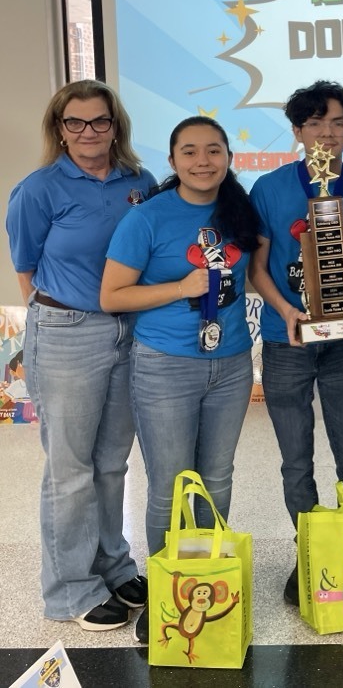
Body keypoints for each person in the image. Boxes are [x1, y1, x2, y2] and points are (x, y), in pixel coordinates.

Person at [100, 115, 258, 642]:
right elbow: (113, 296)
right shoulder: (148, 218)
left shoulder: (240, 210)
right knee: (169, 488)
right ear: (172, 162)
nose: (203, 161)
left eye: (214, 151)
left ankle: (207, 585)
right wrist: (179, 287)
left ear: (228, 157)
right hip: (165, 365)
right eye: (190, 152)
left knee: (215, 483)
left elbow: (257, 271)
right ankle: (169, 592)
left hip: (232, 364)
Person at [5, 79, 156, 630]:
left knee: (112, 462)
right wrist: (58, 322)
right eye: (76, 123)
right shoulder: (39, 188)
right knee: (70, 469)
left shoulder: (140, 182)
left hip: (128, 332)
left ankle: (112, 565)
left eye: (100, 121)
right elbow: (26, 267)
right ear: (59, 128)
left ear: (116, 126)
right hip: (67, 332)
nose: (89, 132)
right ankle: (69, 591)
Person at [249, 81, 343, 606]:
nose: (328, 133)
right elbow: (257, 267)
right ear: (298, 131)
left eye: (339, 123)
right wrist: (285, 311)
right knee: (295, 459)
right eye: (316, 123)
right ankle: (310, 558)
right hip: (287, 342)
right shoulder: (269, 189)